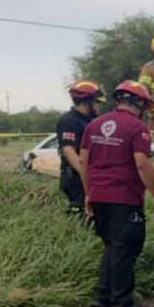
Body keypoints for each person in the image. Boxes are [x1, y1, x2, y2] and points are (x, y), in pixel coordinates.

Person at [82, 81, 154, 307]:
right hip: (124, 197)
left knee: (112, 246)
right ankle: (121, 301)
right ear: (139, 102)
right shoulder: (137, 127)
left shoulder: (94, 125)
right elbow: (142, 164)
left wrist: (89, 193)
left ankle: (102, 298)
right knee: (127, 246)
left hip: (99, 195)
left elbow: (84, 161)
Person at [56, 80, 102, 215]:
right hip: (75, 178)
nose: (99, 106)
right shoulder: (70, 121)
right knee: (81, 217)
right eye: (97, 102)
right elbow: (69, 151)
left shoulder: (86, 121)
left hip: (86, 176)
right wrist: (86, 175)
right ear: (86, 102)